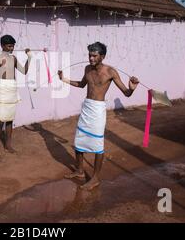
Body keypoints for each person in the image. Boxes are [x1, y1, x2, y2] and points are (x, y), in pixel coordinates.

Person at [58, 42, 139, 191]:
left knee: (97, 146)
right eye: (90, 55)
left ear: (102, 56)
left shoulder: (111, 72)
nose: (91, 58)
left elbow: (126, 93)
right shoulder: (87, 69)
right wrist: (64, 80)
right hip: (87, 107)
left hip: (98, 110)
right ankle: (80, 171)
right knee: (79, 141)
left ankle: (95, 178)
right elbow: (82, 84)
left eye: (94, 56)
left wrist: (132, 88)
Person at [0, 35, 31, 162]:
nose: (12, 48)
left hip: (13, 89)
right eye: (9, 46)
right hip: (3, 89)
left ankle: (8, 145)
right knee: (0, 121)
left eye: (13, 46)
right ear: (3, 46)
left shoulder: (13, 58)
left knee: (9, 120)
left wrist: (29, 58)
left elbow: (24, 71)